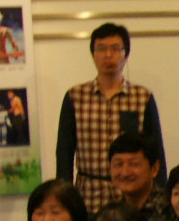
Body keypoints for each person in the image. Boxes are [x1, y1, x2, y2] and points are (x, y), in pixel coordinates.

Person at [56, 22, 163, 211]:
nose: (108, 55)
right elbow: (64, 151)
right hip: (88, 196)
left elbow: (156, 150)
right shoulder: (75, 96)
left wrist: (161, 195)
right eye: (101, 49)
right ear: (93, 55)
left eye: (115, 48)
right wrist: (64, 197)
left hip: (133, 197)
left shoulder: (142, 96)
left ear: (126, 54)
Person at [105, 134, 179, 221]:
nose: (125, 173)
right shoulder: (112, 213)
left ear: (155, 168)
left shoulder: (174, 208)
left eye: (133, 164)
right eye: (118, 164)